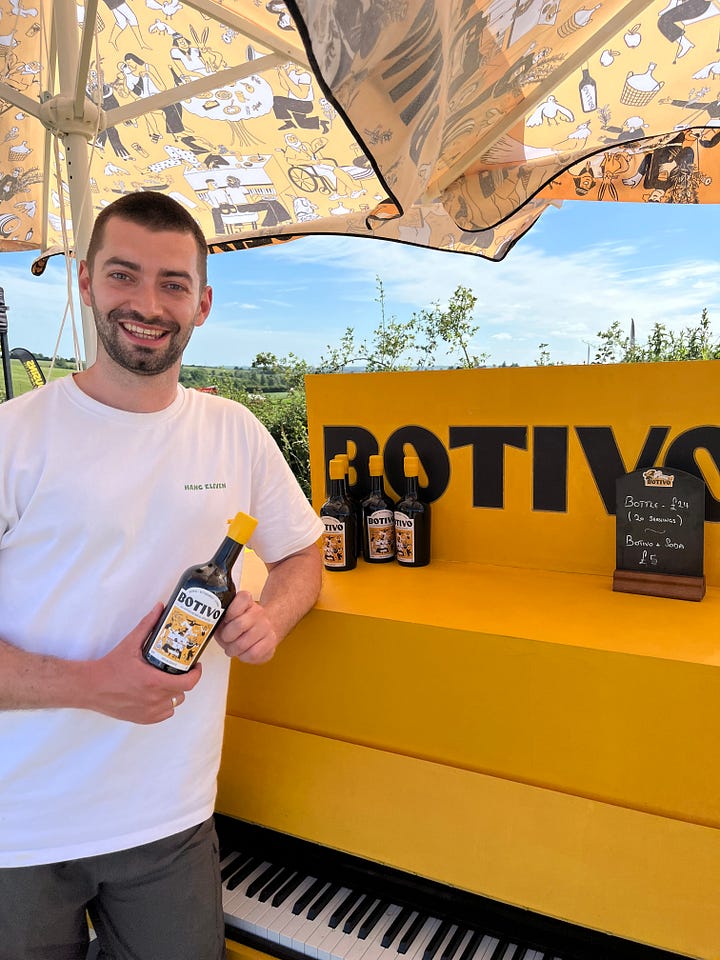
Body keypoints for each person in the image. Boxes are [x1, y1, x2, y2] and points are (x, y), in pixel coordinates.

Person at [0, 191, 324, 959]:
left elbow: (303, 555)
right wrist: (89, 685)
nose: (147, 304)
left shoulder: (234, 432)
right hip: (18, 825)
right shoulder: (15, 437)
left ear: (203, 302)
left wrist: (271, 617)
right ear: (85, 283)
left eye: (173, 283)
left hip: (170, 821)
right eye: (123, 275)